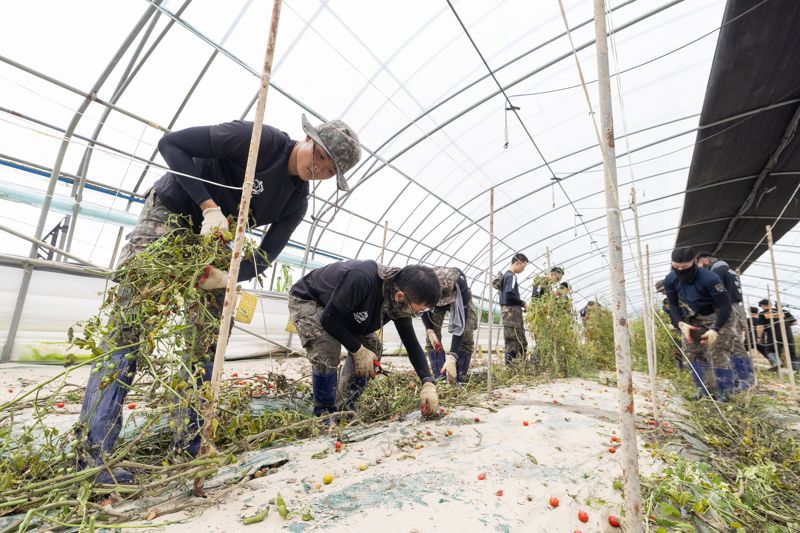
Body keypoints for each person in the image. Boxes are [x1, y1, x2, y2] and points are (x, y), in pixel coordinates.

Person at [77, 116, 361, 484]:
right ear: (308, 138)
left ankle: (189, 447)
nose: (318, 169)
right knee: (130, 330)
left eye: (328, 171)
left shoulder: (295, 201)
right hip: (172, 214)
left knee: (208, 342)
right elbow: (172, 145)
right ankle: (94, 459)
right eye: (320, 156)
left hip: (214, 247)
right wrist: (209, 206)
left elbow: (267, 254)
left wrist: (230, 276)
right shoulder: (257, 140)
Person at [288, 261, 441, 418]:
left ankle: (345, 407)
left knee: (372, 347)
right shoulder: (362, 279)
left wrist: (428, 382)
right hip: (311, 300)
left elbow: (411, 343)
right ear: (399, 296)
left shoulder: (399, 302)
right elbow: (329, 320)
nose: (416, 314)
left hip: (345, 311)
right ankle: (324, 413)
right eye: (418, 311)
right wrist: (357, 350)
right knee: (327, 347)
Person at [663, 246, 735, 400]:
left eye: (685, 267)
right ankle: (704, 390)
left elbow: (725, 306)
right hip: (696, 317)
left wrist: (715, 329)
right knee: (691, 352)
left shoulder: (710, 279)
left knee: (717, 352)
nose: (680, 270)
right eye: (676, 267)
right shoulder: (670, 279)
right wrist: (681, 324)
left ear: (694, 262)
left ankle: (725, 393)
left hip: (719, 316)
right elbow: (673, 304)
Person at [695, 252, 754, 389]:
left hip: (730, 308)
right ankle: (740, 379)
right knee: (732, 343)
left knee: (734, 343)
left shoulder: (717, 270)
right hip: (734, 307)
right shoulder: (727, 269)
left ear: (705, 261)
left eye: (699, 264)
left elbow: (716, 293)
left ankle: (746, 380)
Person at [422, 267, 478, 384]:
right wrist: (429, 330)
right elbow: (424, 309)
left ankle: (459, 377)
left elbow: (461, 324)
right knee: (432, 340)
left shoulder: (461, 286)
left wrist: (452, 356)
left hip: (458, 298)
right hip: (434, 300)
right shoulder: (426, 283)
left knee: (466, 335)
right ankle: (440, 377)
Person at [499, 253, 529, 364]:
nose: (523, 269)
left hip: (510, 313)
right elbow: (509, 295)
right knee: (513, 341)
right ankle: (511, 369)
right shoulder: (510, 276)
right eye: (523, 266)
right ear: (518, 263)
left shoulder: (507, 276)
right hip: (511, 313)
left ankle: (515, 367)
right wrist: (523, 303)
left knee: (517, 340)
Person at [757, 299, 798, 372]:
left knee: (769, 350)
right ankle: (798, 371)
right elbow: (795, 322)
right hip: (788, 334)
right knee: (792, 353)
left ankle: (776, 362)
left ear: (762, 306)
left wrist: (759, 337)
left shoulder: (762, 313)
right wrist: (785, 325)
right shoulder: (784, 311)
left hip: (774, 335)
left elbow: (761, 327)